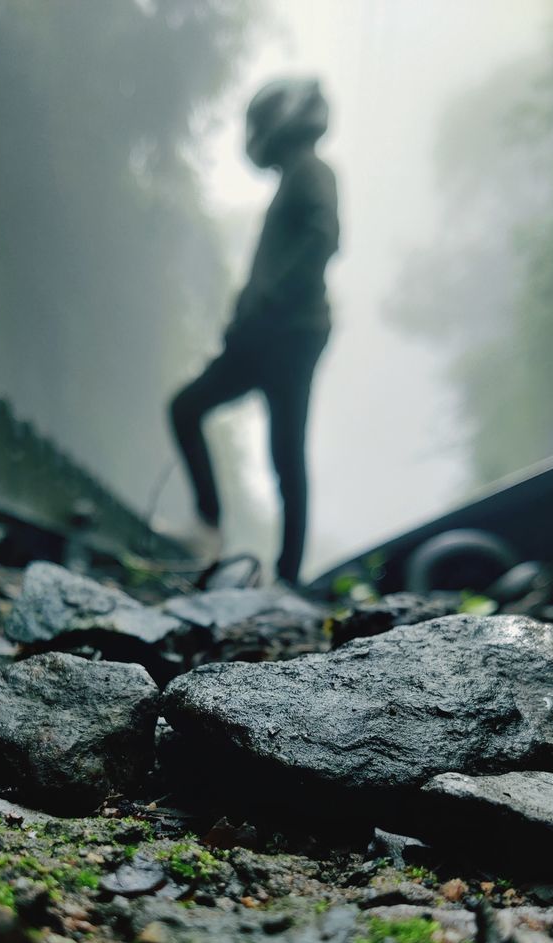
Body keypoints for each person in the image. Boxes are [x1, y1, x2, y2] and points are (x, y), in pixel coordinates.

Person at [168, 77, 339, 586]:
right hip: (269, 335)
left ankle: (284, 575)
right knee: (194, 412)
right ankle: (216, 531)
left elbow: (323, 239)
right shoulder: (296, 178)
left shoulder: (312, 171)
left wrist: (263, 304)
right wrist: (246, 310)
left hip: (287, 336)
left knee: (284, 450)